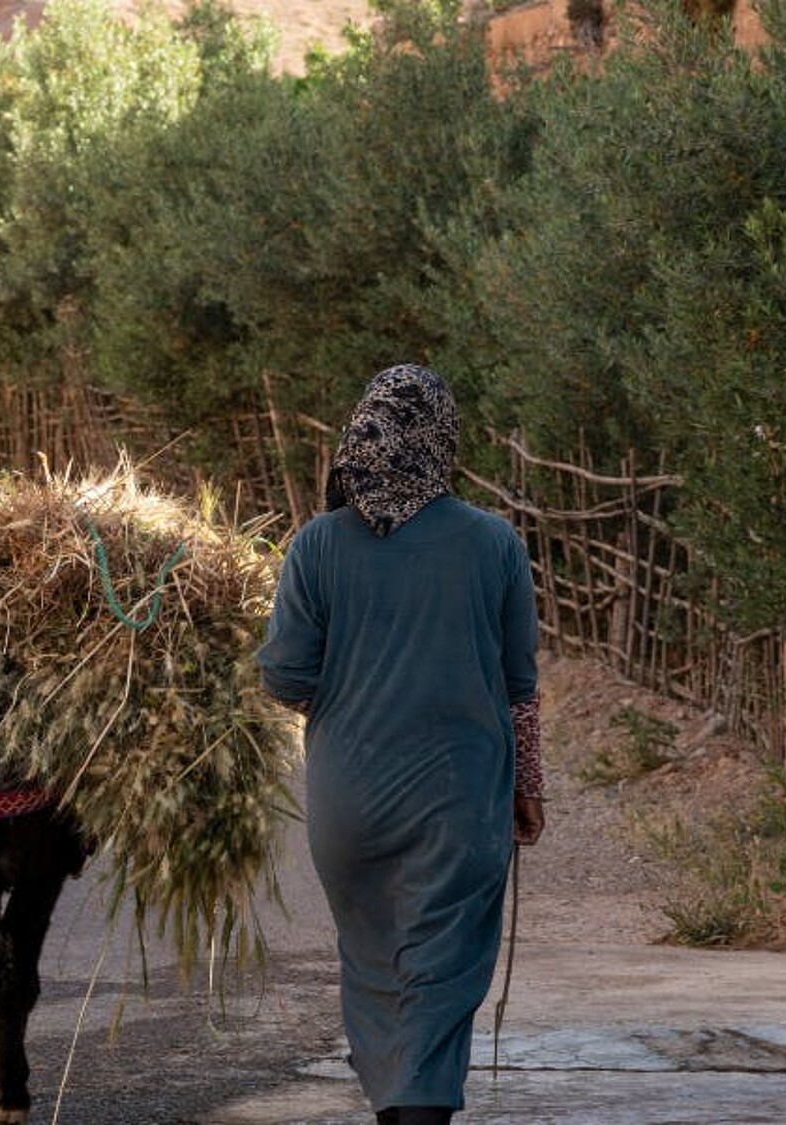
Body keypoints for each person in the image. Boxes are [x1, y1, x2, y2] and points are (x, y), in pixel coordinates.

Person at [255, 364, 546, 1125]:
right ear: (443, 439)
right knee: (439, 972)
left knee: (377, 965)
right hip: (460, 802)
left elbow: (284, 676)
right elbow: (520, 688)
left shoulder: (317, 545)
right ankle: (417, 1113)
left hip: (347, 806)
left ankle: (398, 1107)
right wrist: (529, 791)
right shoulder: (496, 544)